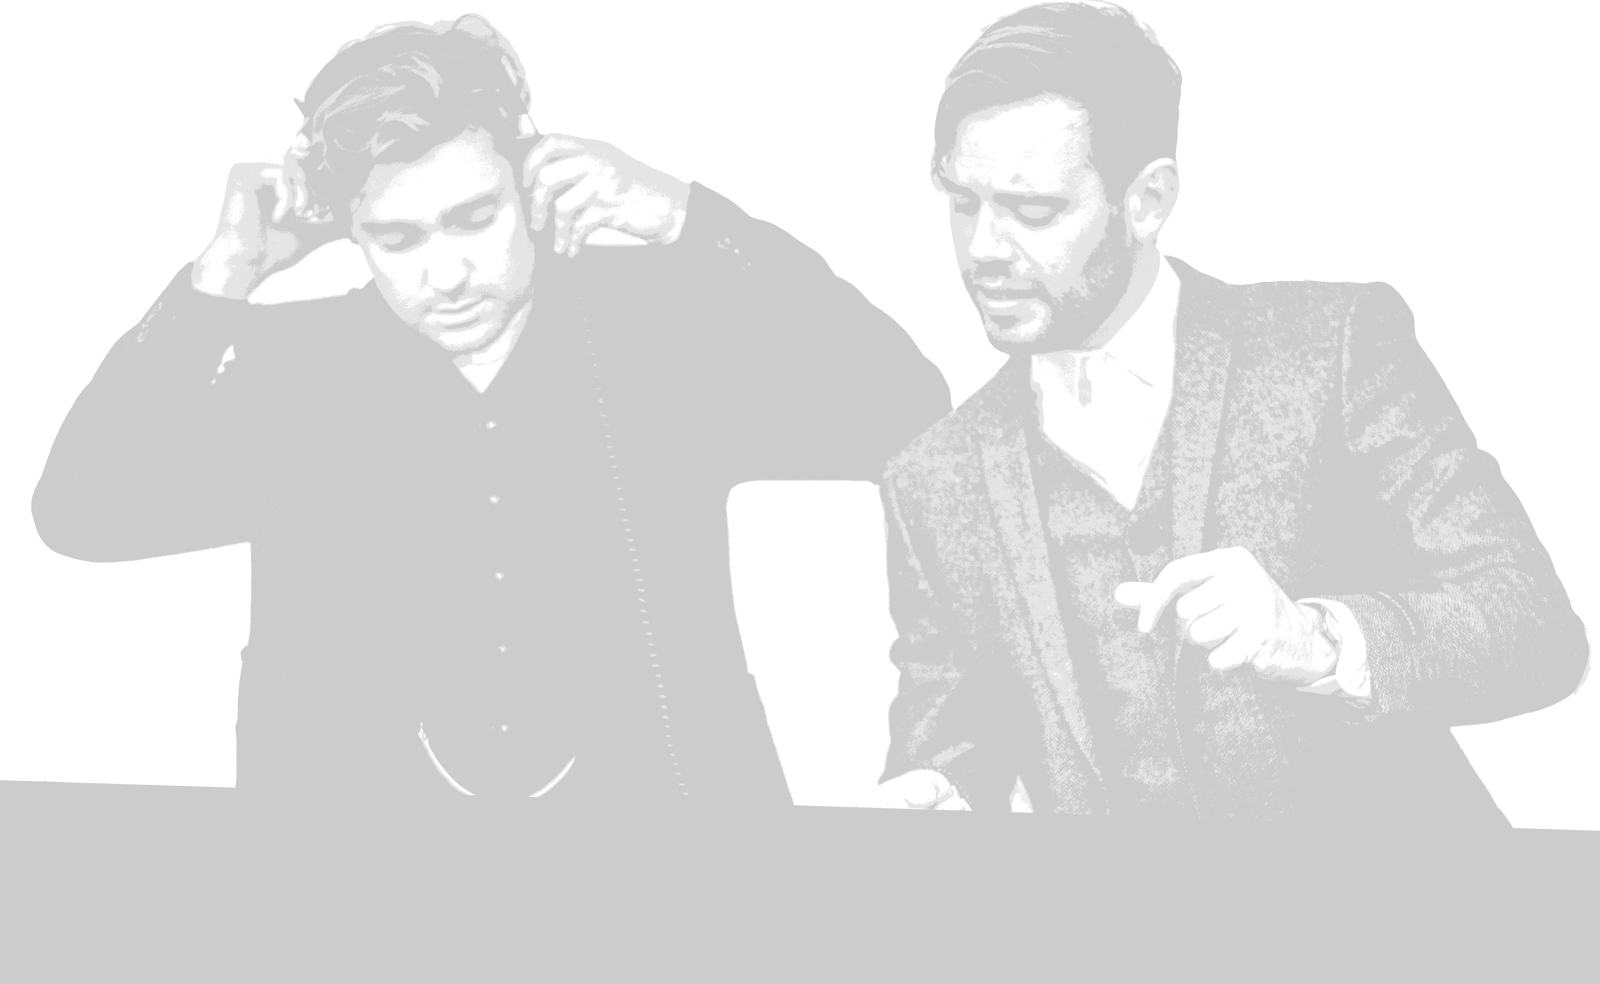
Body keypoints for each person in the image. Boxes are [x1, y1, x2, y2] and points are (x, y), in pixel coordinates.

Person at [32, 15, 950, 807]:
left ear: (530, 183)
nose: (446, 273)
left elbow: (902, 411)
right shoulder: (292, 375)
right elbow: (82, 511)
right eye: (398, 238)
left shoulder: (661, 330)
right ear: (349, 232)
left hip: (663, 868)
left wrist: (685, 218)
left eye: (475, 219)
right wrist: (219, 281)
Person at [875, 2, 1587, 823]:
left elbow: (1537, 631)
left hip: (1403, 903)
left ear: (1147, 201)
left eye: (1031, 211)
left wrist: (1315, 639)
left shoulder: (1332, 349)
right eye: (962, 203)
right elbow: (949, 750)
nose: (982, 250)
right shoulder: (930, 480)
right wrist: (940, 795)